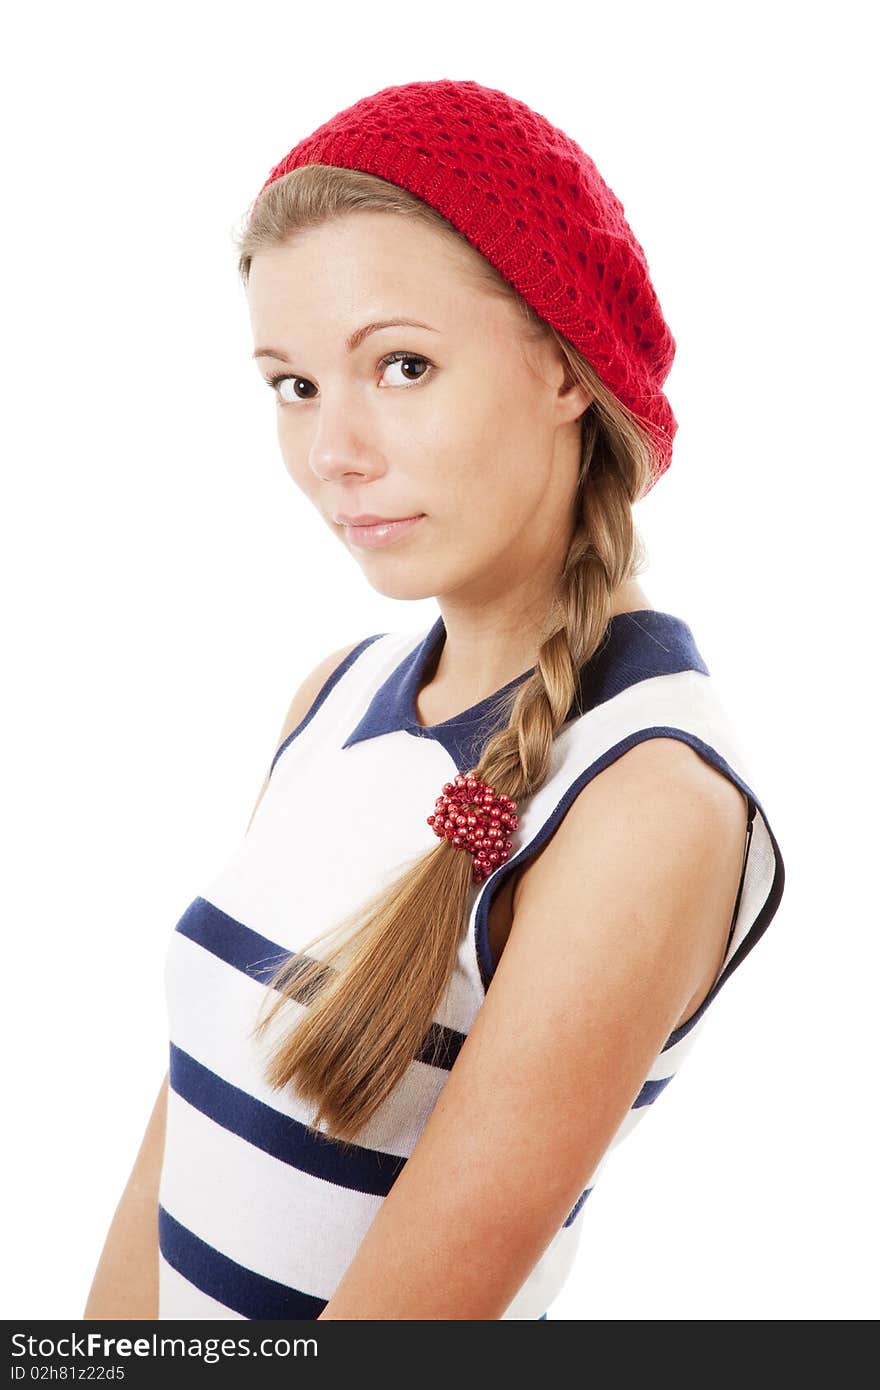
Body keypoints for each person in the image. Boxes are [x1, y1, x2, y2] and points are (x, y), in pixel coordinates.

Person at [84, 78, 786, 1322]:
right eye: (291, 385)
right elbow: (178, 1141)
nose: (331, 453)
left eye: (400, 365)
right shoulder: (335, 696)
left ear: (565, 366)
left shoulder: (640, 799)